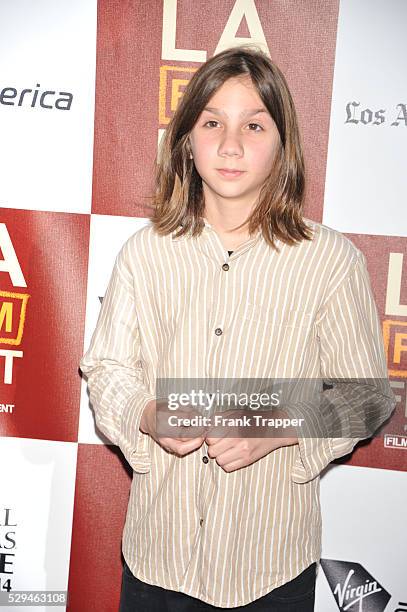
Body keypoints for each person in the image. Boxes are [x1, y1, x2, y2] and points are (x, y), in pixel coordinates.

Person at [79, 45, 396, 611]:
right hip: (158, 557)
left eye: (253, 124)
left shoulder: (330, 260)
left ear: (283, 142)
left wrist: (273, 425)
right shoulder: (145, 253)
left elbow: (368, 398)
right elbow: (107, 369)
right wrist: (147, 414)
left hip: (269, 570)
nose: (230, 145)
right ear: (186, 139)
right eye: (212, 123)